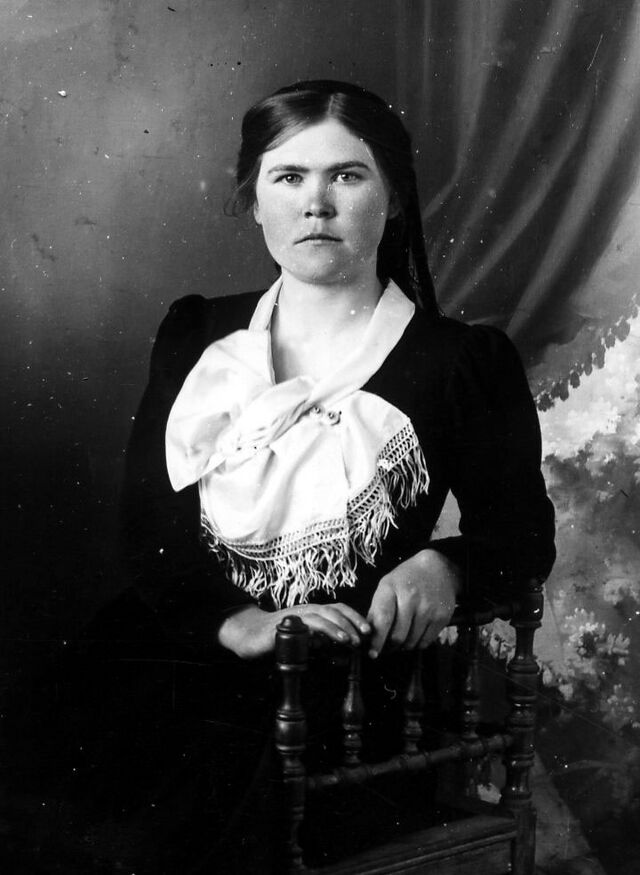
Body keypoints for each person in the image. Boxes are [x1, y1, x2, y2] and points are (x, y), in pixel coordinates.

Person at [120, 79, 555, 872]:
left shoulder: (461, 362)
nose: (315, 204)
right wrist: (235, 620)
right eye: (289, 177)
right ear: (254, 199)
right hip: (190, 650)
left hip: (341, 695)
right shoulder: (199, 333)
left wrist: (446, 564)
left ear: (394, 199)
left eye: (347, 176)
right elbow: (146, 526)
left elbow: (523, 537)